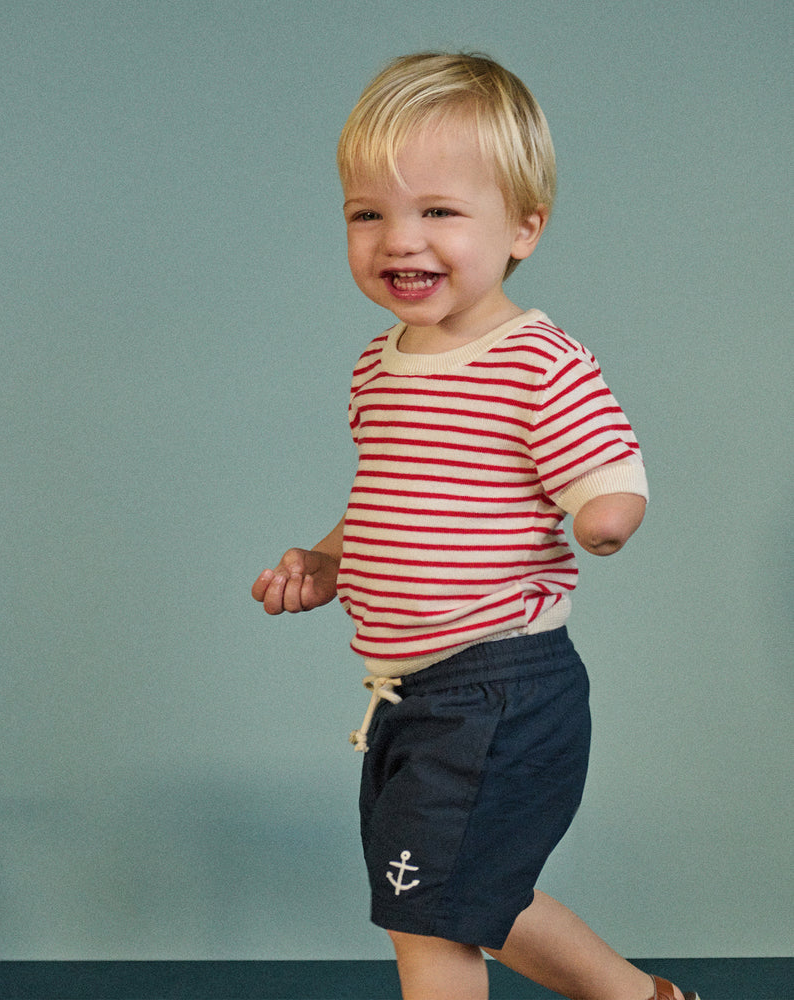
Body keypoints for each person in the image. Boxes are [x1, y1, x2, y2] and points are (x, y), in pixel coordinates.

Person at [252, 52, 699, 1000]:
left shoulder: (537, 359)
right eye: (368, 213)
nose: (398, 239)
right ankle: (639, 998)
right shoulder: (380, 365)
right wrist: (327, 559)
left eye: (438, 212)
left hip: (499, 686)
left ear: (523, 228)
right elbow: (389, 497)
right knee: (474, 897)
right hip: (411, 692)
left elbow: (605, 464)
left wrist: (606, 514)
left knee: (428, 916)